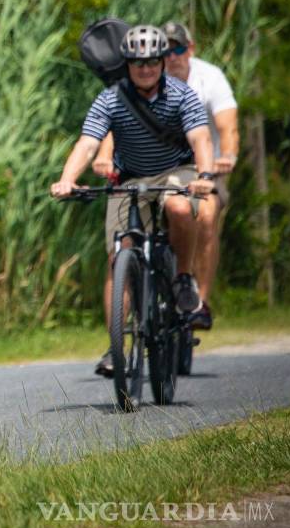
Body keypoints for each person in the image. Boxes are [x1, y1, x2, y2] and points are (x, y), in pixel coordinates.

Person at [50, 24, 215, 377]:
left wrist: (204, 177)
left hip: (177, 171)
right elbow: (89, 142)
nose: (146, 68)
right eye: (138, 62)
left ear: (160, 62)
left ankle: (183, 279)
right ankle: (116, 349)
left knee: (178, 207)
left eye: (153, 61)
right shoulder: (111, 98)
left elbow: (200, 138)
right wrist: (67, 180)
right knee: (119, 253)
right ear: (127, 64)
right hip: (132, 178)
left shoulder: (182, 95)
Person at [90, 21, 236, 330]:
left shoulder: (207, 80)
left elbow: (225, 130)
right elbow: (118, 125)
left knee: (204, 215)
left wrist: (226, 159)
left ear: (190, 49)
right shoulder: (136, 85)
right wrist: (104, 158)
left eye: (177, 49)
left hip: (200, 167)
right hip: (141, 171)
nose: (171, 57)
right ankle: (119, 333)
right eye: (164, 51)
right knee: (121, 248)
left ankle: (196, 299)